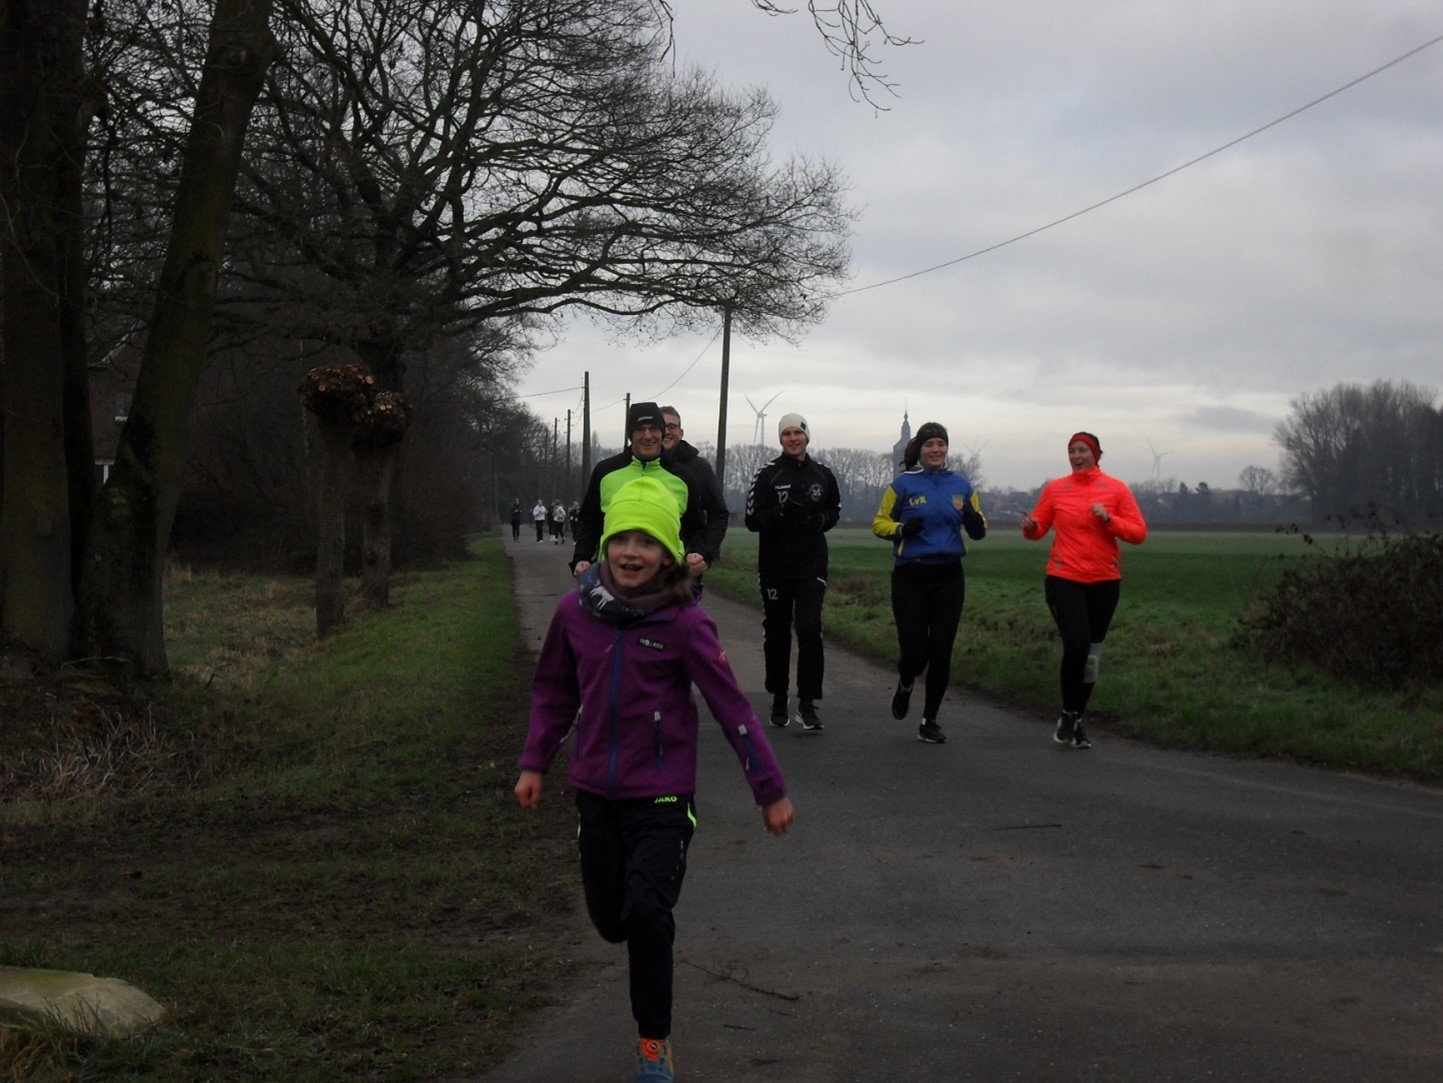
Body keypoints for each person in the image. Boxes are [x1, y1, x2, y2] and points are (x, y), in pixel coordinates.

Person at [515, 475, 794, 1083]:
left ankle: (653, 1044)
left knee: (646, 912)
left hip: (664, 795)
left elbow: (733, 709)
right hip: (595, 791)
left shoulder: (685, 624)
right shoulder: (574, 613)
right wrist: (535, 761)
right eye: (622, 539)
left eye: (647, 541)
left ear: (668, 553)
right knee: (611, 921)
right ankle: (621, 901)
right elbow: (554, 693)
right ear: (608, 544)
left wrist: (768, 790)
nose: (631, 552)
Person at [1020, 431, 1147, 749]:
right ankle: (1067, 711)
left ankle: (1076, 717)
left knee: (1091, 655)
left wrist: (1109, 520)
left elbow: (1138, 533)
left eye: (1082, 451)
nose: (1076, 456)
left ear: (1096, 455)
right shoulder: (1056, 488)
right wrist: (1031, 528)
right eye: (1072, 451)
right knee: (1076, 646)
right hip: (1065, 578)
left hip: (1105, 581)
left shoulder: (1116, 489)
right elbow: (1039, 527)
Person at [871, 421, 988, 745]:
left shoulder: (962, 485)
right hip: (911, 574)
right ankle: (906, 681)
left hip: (949, 575)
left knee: (941, 650)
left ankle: (929, 720)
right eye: (929, 445)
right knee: (914, 653)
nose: (936, 450)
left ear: (946, 449)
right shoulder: (903, 485)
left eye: (941, 444)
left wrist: (975, 523)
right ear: (920, 450)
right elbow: (879, 523)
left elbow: (979, 528)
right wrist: (902, 530)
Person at [743, 412, 841, 732]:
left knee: (810, 628)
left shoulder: (823, 474)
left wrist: (819, 521)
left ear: (807, 436)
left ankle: (808, 703)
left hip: (811, 565)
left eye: (798, 432)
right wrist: (782, 511)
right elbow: (752, 520)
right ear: (780, 439)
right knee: (777, 632)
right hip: (775, 567)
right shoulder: (767, 474)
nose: (793, 438)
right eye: (786, 434)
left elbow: (833, 510)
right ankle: (779, 696)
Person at [569, 401, 728, 580]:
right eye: (640, 429)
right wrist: (581, 557)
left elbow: (697, 528)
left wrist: (701, 554)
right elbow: (589, 521)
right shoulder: (605, 471)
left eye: (653, 428)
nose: (647, 435)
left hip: (668, 580)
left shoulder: (683, 476)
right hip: (613, 578)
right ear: (630, 435)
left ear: (661, 433)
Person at [659, 404, 730, 558]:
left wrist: (706, 553)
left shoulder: (699, 467)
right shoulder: (639, 466)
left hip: (686, 564)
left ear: (681, 432)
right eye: (662, 426)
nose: (667, 432)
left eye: (672, 426)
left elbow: (719, 513)